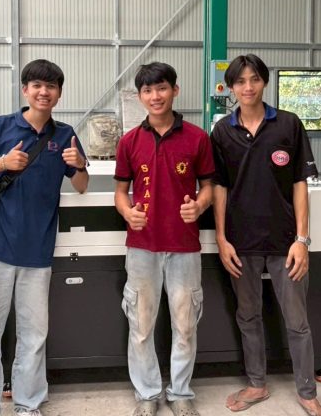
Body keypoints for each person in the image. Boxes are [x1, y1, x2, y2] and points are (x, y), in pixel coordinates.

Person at [0, 59, 89, 416]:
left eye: (51, 86)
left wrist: (79, 165)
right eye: (36, 85)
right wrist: (2, 163)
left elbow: (81, 186)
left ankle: (28, 403)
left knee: (34, 333)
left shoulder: (64, 135)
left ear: (59, 93)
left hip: (38, 252)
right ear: (25, 90)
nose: (43, 92)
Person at [209, 54, 321, 416]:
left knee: (297, 321)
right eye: (240, 81)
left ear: (264, 82)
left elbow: (299, 184)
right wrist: (221, 238)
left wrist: (302, 240)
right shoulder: (222, 132)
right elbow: (219, 187)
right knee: (248, 316)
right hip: (241, 242)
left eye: (255, 79)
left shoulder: (288, 124)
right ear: (231, 87)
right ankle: (257, 384)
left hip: (284, 241)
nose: (248, 87)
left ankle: (307, 392)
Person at [114, 62, 215, 416]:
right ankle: (147, 393)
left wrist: (199, 206)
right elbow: (120, 193)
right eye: (148, 90)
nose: (155, 96)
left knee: (185, 325)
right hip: (142, 247)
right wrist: (128, 213)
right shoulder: (129, 142)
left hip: (184, 246)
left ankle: (181, 392)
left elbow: (209, 187)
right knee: (141, 326)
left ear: (175, 90)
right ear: (140, 96)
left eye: (161, 88)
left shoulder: (198, 138)